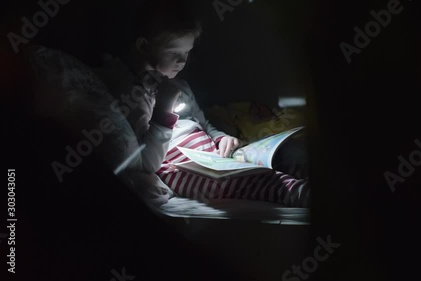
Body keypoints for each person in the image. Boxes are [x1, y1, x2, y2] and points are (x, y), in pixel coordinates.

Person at [94, 0, 310, 207]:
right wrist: (163, 111)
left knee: (291, 158)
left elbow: (204, 124)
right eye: (174, 53)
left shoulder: (178, 85)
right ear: (144, 47)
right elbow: (146, 163)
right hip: (180, 168)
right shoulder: (134, 95)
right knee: (267, 183)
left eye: (186, 53)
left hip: (215, 159)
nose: (182, 61)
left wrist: (221, 137)